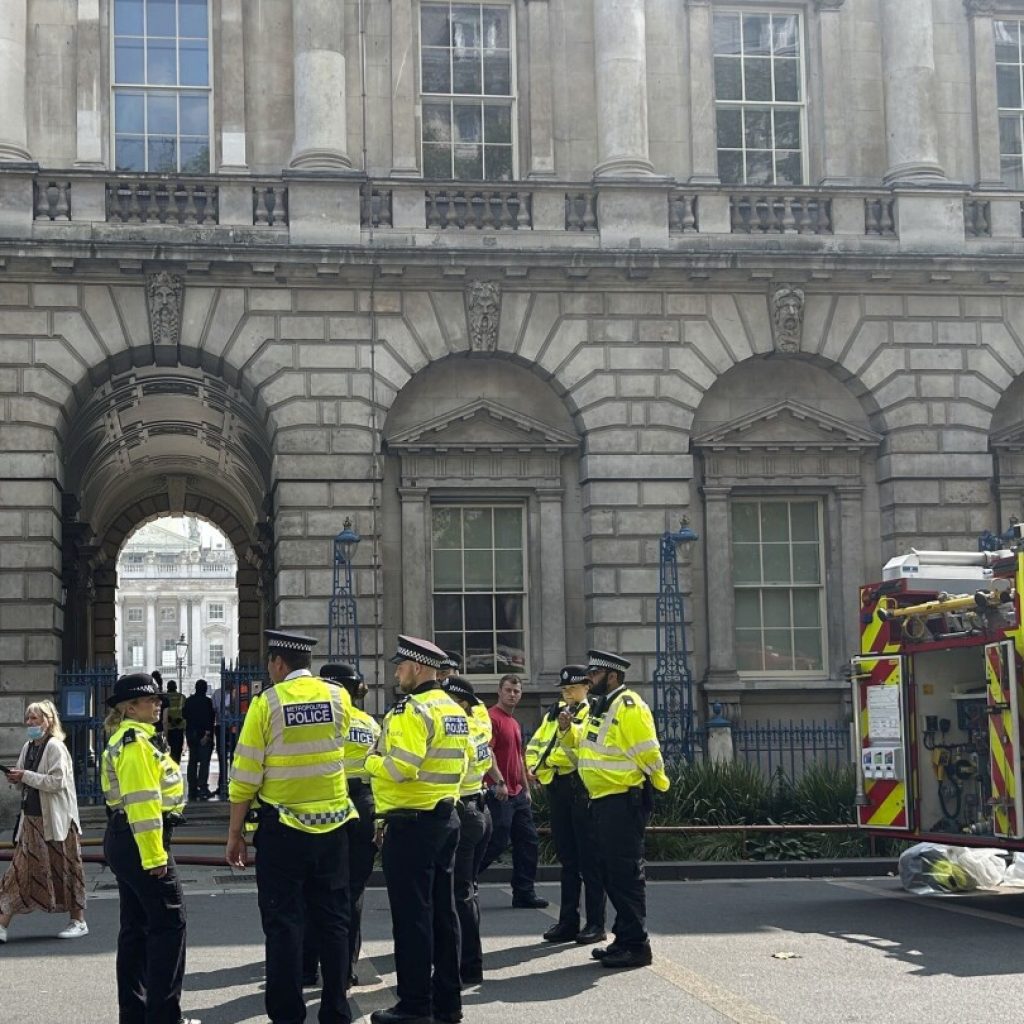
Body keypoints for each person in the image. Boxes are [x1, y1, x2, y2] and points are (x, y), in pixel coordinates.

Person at [226, 630, 355, 1024]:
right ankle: (335, 1010)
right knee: (333, 922)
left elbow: (245, 772)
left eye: (270, 664)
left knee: (284, 925)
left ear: (279, 664)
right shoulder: (338, 697)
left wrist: (236, 834)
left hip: (283, 827)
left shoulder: (268, 703)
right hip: (333, 826)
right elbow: (342, 746)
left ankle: (287, 1015)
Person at [364, 635, 470, 1024]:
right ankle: (448, 1003)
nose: (396, 672)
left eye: (401, 666)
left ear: (419, 668)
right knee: (445, 915)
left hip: (411, 824)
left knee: (412, 919)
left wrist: (372, 761)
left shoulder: (413, 710)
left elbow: (400, 768)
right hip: (446, 818)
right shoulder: (453, 710)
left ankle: (414, 1005)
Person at [558, 650, 670, 970]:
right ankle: (623, 939)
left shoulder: (629, 706)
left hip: (623, 800)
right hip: (604, 801)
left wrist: (658, 785)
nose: (588, 679)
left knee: (625, 876)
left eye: (594, 674)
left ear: (613, 676)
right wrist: (568, 731)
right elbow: (586, 748)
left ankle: (636, 946)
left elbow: (648, 751)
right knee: (611, 874)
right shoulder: (601, 707)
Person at [101, 672, 198, 1024]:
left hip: (125, 838)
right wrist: (155, 857)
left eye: (158, 699)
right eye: (151, 700)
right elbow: (144, 802)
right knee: (170, 925)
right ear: (131, 707)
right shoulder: (137, 743)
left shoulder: (131, 738)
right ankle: (163, 1016)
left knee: (136, 928)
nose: (159, 704)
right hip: (143, 840)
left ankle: (135, 1013)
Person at [302, 662, 380, 991]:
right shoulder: (370, 724)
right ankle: (346, 968)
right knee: (353, 889)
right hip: (363, 803)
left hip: (323, 802)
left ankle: (307, 967)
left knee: (314, 887)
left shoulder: (315, 721)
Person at [525, 664, 606, 945]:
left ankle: (596, 923)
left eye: (572, 688)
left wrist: (567, 727)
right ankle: (568, 921)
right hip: (557, 787)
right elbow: (535, 744)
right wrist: (533, 766)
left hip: (581, 787)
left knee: (590, 859)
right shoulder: (553, 713)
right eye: (564, 689)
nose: (567, 694)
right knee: (568, 859)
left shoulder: (594, 711)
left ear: (586, 686)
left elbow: (584, 746)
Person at [0, 700, 87, 943]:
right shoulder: (28, 747)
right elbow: (26, 778)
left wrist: (25, 776)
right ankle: (2, 924)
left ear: (48, 721)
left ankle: (78, 920)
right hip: (32, 821)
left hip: (57, 822)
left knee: (66, 869)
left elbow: (56, 782)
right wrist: (16, 778)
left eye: (35, 719)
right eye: (28, 719)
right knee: (19, 872)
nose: (30, 723)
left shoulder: (56, 747)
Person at [442, 675, 506, 988]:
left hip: (463, 812)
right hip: (480, 810)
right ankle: (472, 964)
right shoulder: (478, 727)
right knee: (468, 891)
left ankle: (465, 967)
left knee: (459, 894)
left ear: (462, 703)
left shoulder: (460, 733)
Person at [477, 673, 547, 909]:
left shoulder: (514, 723)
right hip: (499, 792)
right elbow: (487, 752)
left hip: (517, 794)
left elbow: (519, 757)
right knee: (496, 841)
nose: (513, 694)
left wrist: (525, 788)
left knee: (528, 841)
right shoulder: (491, 718)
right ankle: (462, 882)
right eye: (508, 690)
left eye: (516, 691)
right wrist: (499, 782)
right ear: (499, 691)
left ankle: (524, 892)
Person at [182, 679, 215, 801]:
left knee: (193, 761)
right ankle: (202, 786)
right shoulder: (207, 702)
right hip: (204, 734)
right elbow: (210, 718)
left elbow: (184, 714)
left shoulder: (189, 701)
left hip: (191, 733)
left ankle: (192, 787)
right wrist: (207, 735)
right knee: (204, 762)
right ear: (205, 689)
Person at [164, 680, 186, 764]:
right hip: (179, 727)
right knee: (177, 751)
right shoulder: (181, 697)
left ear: (167, 687)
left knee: (167, 751)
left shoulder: (164, 697)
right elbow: (185, 712)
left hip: (167, 728)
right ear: (176, 687)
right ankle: (176, 766)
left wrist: (169, 719)